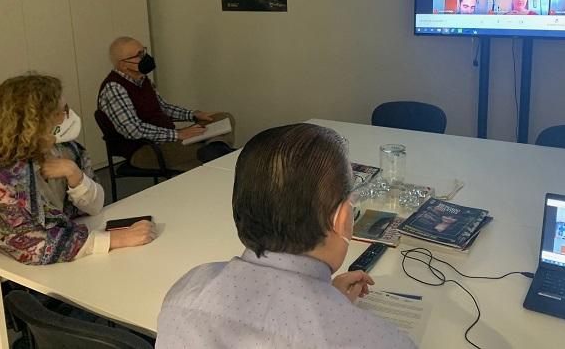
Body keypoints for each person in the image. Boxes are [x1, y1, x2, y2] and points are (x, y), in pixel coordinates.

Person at [156, 124, 416, 349]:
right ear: (341, 219)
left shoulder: (187, 290)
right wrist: (333, 312)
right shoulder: (380, 341)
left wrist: (330, 302)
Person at [0, 74, 156, 265]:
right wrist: (116, 239)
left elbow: (95, 206)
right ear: (33, 123)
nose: (67, 117)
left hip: (55, 252)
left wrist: (74, 173)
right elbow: (35, 247)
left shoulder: (67, 150)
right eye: (60, 112)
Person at [97, 37, 236, 171]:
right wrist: (177, 134)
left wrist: (194, 115)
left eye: (143, 51)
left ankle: (215, 149)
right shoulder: (114, 88)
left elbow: (163, 108)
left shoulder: (142, 79)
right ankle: (217, 151)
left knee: (224, 117)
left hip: (167, 139)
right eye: (138, 55)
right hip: (144, 149)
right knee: (204, 152)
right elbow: (133, 130)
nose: (145, 57)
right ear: (123, 65)